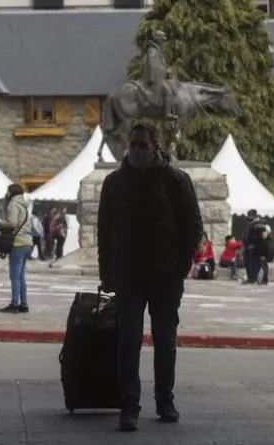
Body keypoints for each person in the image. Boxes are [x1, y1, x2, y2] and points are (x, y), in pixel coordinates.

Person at [98, 123, 203, 432]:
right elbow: (104, 231)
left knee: (165, 340)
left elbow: (193, 227)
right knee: (128, 339)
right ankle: (129, 406)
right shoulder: (115, 183)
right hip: (128, 276)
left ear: (155, 147)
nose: (138, 150)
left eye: (144, 145)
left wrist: (180, 269)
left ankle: (164, 400)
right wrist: (107, 273)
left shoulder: (175, 181)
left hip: (166, 277)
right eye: (134, 144)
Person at [0, 183, 32, 313]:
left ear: (11, 192)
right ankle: (24, 304)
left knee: (15, 277)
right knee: (21, 276)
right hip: (27, 243)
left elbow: (11, 224)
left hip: (18, 243)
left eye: (7, 191)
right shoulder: (23, 205)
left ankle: (14, 304)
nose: (6, 194)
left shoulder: (13, 204)